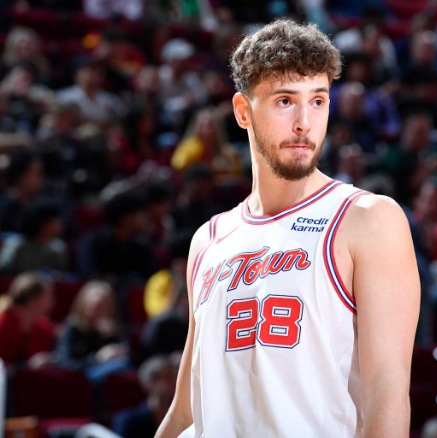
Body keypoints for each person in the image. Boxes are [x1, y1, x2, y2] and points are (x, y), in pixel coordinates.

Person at [155, 20, 420, 438]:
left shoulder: (366, 219)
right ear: (243, 111)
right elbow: (186, 409)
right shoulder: (209, 240)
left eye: (318, 101)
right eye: (284, 101)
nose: (304, 123)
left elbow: (387, 391)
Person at [113, 355, 178, 438]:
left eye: (175, 376)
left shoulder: (185, 417)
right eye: (168, 377)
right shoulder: (129, 422)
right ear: (149, 384)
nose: (175, 382)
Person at [0, 272, 55, 366]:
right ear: (33, 299)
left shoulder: (44, 327)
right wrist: (27, 365)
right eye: (48, 296)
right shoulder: (3, 323)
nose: (53, 302)